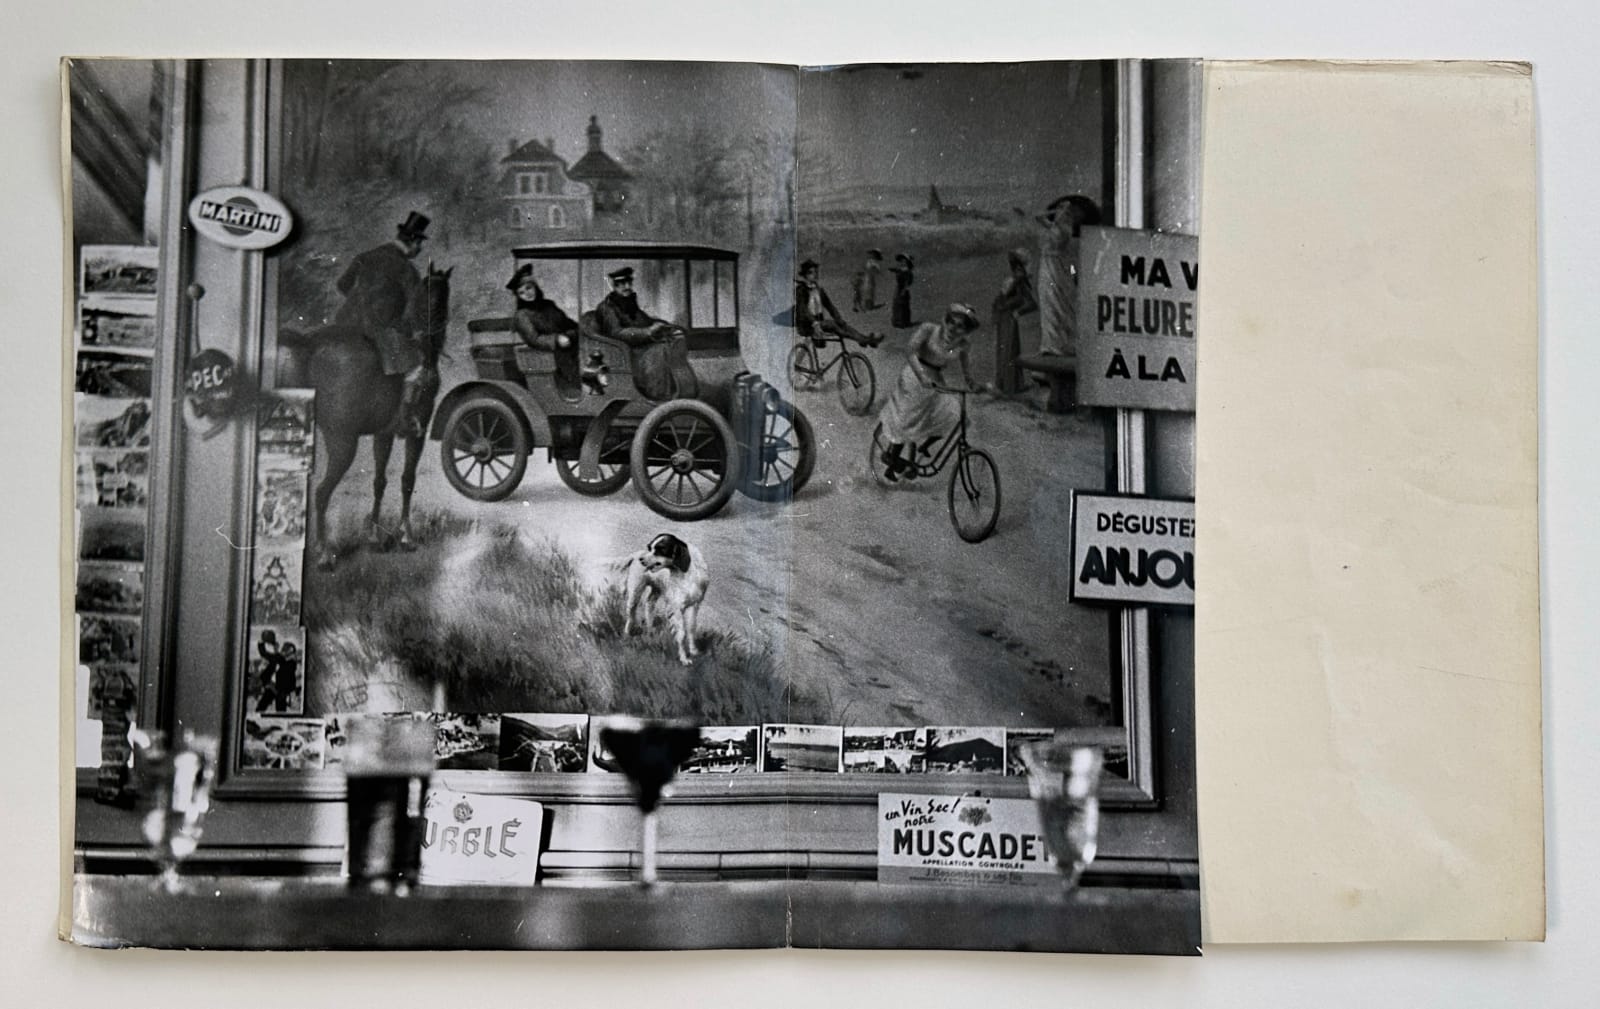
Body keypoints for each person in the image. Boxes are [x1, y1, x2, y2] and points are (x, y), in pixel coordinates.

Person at [334, 210, 433, 436]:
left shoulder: (364, 256)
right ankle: (404, 421)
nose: (420, 250)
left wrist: (362, 301)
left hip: (346, 323)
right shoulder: (406, 269)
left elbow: (342, 285)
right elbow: (414, 309)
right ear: (412, 241)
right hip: (380, 329)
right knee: (416, 367)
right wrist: (411, 331)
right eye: (419, 244)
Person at [877, 303, 982, 482]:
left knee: (954, 413)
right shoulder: (929, 330)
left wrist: (972, 384)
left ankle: (924, 445)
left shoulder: (964, 345)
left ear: (966, 330)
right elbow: (910, 350)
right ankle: (891, 457)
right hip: (915, 374)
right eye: (951, 322)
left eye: (960, 326)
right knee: (909, 417)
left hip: (936, 379)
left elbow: (966, 369)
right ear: (946, 320)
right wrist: (921, 376)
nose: (953, 328)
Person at [590, 266, 683, 400]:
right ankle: (658, 396)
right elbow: (617, 333)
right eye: (622, 284)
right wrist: (648, 331)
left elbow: (646, 321)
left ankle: (672, 392)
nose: (627, 287)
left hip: (637, 348)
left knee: (668, 345)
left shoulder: (629, 303)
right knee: (659, 351)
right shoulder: (607, 308)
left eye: (629, 283)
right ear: (614, 286)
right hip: (625, 354)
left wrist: (665, 327)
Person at [1036, 195, 1101, 357]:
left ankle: (1059, 345)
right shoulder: (1056, 228)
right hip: (1048, 271)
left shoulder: (1064, 231)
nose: (1059, 211)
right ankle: (1050, 344)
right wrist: (1056, 211)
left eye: (1062, 209)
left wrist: (1060, 212)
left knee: (1058, 307)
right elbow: (1038, 216)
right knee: (1049, 307)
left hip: (1056, 272)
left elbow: (1042, 219)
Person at [506, 263, 581, 400]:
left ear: (535, 287)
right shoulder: (522, 315)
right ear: (518, 296)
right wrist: (556, 339)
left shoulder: (548, 305)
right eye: (521, 293)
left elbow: (567, 323)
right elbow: (534, 339)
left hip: (569, 347)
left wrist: (579, 330)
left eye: (529, 288)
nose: (527, 294)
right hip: (548, 355)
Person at [795, 260, 881, 347]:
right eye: (811, 272)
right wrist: (815, 323)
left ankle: (864, 339)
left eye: (816, 272)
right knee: (832, 325)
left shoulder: (819, 290)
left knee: (841, 324)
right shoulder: (801, 290)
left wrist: (839, 319)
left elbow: (830, 306)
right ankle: (860, 339)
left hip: (819, 323)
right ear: (805, 275)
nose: (815, 274)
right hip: (806, 326)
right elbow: (803, 310)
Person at [992, 248, 1038, 393]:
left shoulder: (1018, 282)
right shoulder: (1015, 281)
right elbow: (1000, 301)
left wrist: (1018, 312)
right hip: (1005, 318)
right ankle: (1007, 386)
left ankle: (1011, 386)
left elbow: (1032, 304)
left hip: (1007, 318)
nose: (1020, 271)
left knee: (1009, 350)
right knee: (1007, 350)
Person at [889, 252, 915, 329]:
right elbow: (897, 271)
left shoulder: (908, 272)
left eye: (904, 261)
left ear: (907, 262)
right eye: (901, 261)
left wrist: (904, 290)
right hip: (898, 288)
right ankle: (896, 321)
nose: (902, 262)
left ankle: (903, 322)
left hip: (903, 289)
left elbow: (907, 283)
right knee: (896, 304)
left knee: (903, 305)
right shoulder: (900, 269)